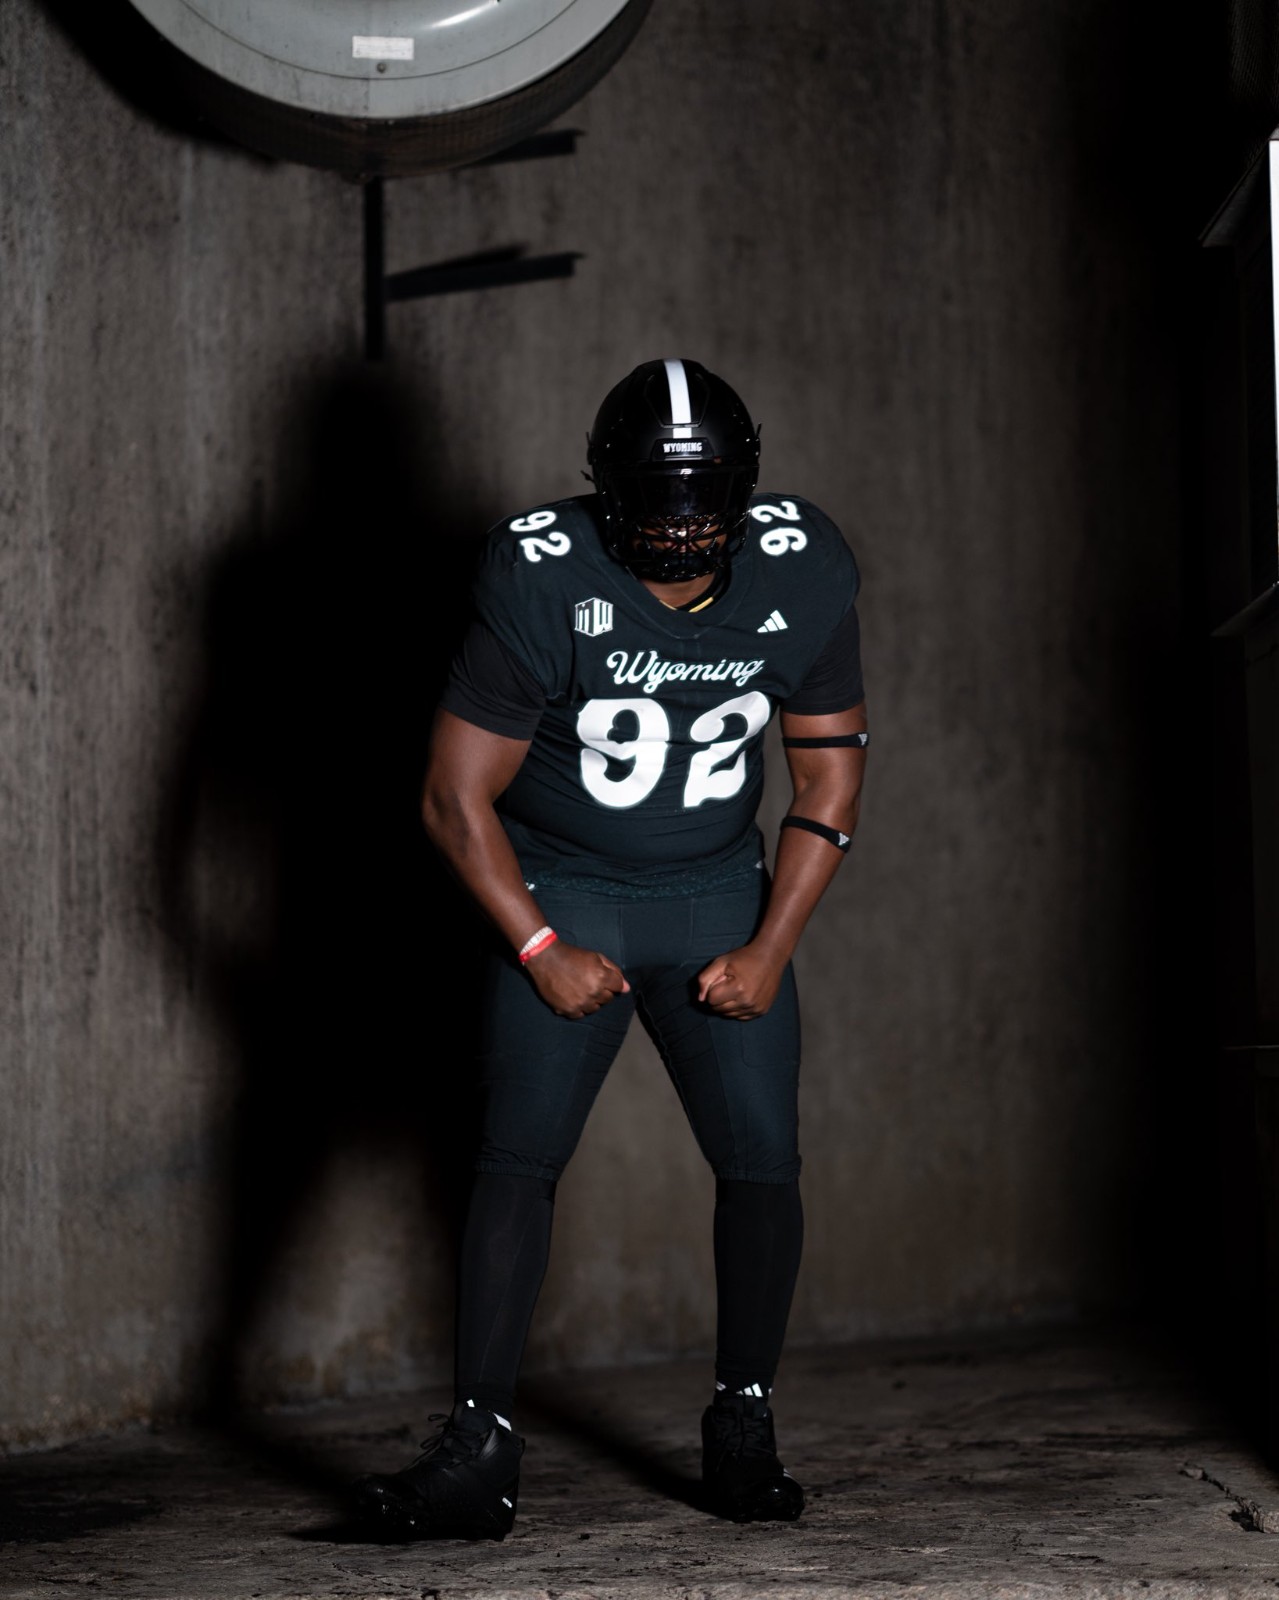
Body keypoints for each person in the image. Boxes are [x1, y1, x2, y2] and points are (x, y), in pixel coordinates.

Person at [353, 358, 868, 1540]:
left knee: (763, 1159)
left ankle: (744, 1421)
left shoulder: (803, 563)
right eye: (654, 497)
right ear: (604, 488)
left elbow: (829, 775)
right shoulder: (542, 570)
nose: (681, 524)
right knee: (515, 1158)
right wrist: (538, 943)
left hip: (715, 893)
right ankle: (478, 1447)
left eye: (705, 495)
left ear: (745, 486)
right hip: (568, 888)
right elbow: (451, 795)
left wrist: (772, 943)